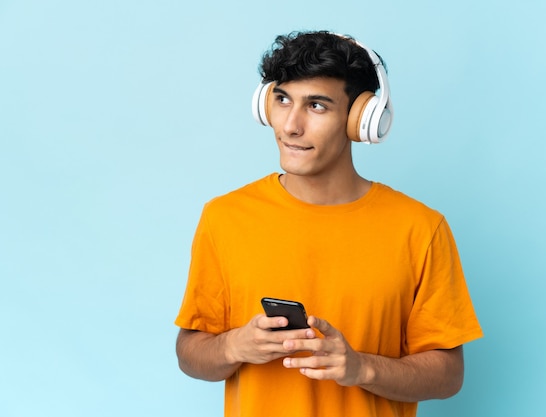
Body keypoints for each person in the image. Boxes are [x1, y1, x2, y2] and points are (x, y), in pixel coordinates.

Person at [174, 30, 483, 417]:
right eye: (282, 100)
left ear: (360, 120)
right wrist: (233, 346)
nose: (290, 126)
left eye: (317, 106)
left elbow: (449, 376)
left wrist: (362, 368)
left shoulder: (421, 229)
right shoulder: (224, 217)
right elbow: (190, 353)